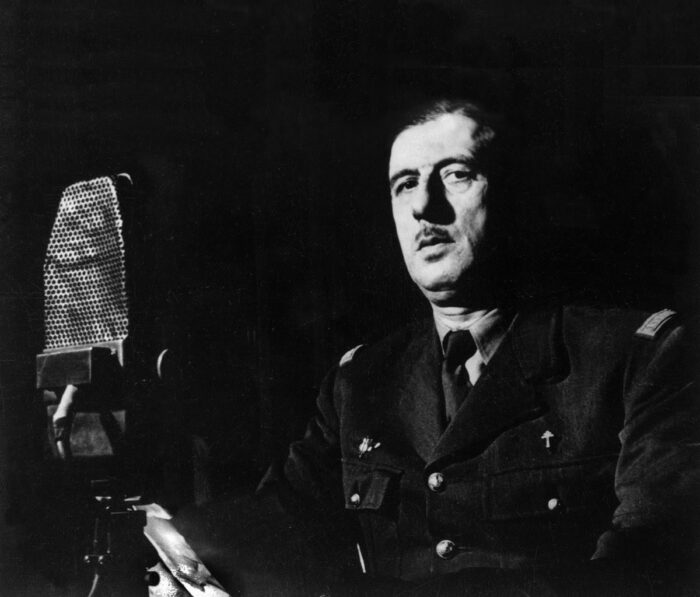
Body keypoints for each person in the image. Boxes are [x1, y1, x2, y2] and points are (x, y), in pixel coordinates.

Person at [176, 99, 699, 596]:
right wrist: (166, 538)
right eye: (405, 185)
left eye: (456, 174)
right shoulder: (360, 382)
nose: (425, 206)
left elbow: (647, 569)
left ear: (516, 197)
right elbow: (276, 523)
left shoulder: (637, 359)